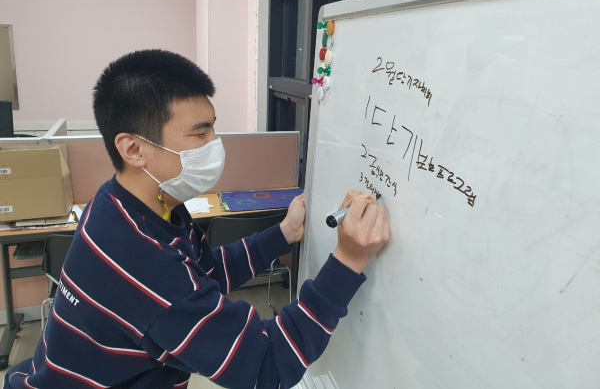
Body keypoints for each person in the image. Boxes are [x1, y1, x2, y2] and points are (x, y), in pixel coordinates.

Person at [4, 50, 390, 389]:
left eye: (213, 128)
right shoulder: (143, 259)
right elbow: (265, 366)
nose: (215, 145)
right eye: (199, 134)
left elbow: (202, 275)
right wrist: (348, 261)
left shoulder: (129, 202)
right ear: (133, 149)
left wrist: (283, 234)